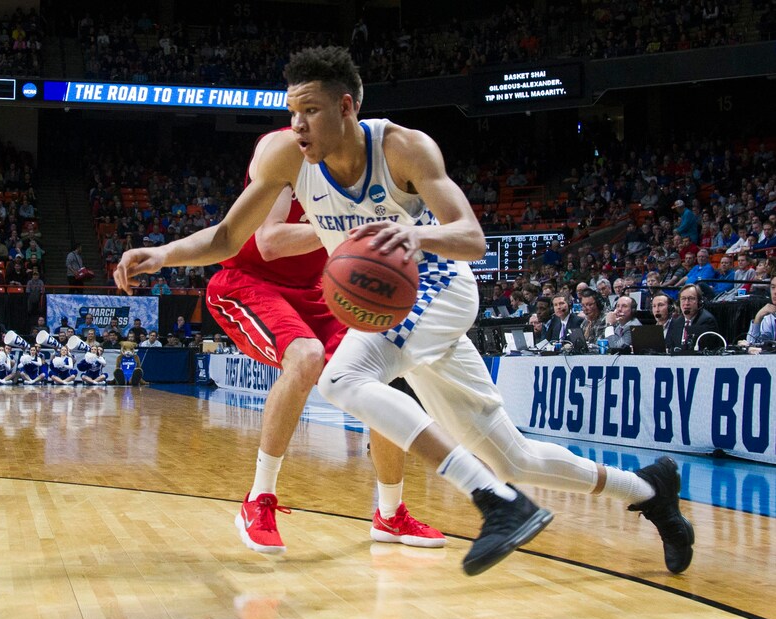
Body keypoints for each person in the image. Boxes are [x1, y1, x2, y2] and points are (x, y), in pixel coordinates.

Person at [115, 46, 693, 576]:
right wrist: (162, 254)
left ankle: (496, 503)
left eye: (310, 112)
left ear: (346, 106)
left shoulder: (402, 147)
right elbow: (227, 237)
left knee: (340, 375)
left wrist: (416, 235)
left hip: (437, 284)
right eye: (292, 112)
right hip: (394, 308)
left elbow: (471, 238)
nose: (297, 126)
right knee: (511, 454)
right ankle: (647, 490)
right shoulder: (284, 156)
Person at [203, 128, 443, 553]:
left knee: (375, 378)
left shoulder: (375, 165)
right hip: (250, 282)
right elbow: (270, 241)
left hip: (321, 291)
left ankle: (390, 514)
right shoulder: (283, 150)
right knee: (306, 356)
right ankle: (258, 500)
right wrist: (348, 226)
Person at [666, 283, 719, 352]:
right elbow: (670, 346)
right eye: (683, 299)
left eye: (691, 298)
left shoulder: (706, 321)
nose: (686, 303)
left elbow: (700, 348)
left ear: (699, 302)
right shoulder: (677, 322)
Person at [746, 275, 776, 344]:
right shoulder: (769, 317)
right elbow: (751, 344)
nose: (775, 292)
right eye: (773, 287)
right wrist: (758, 317)